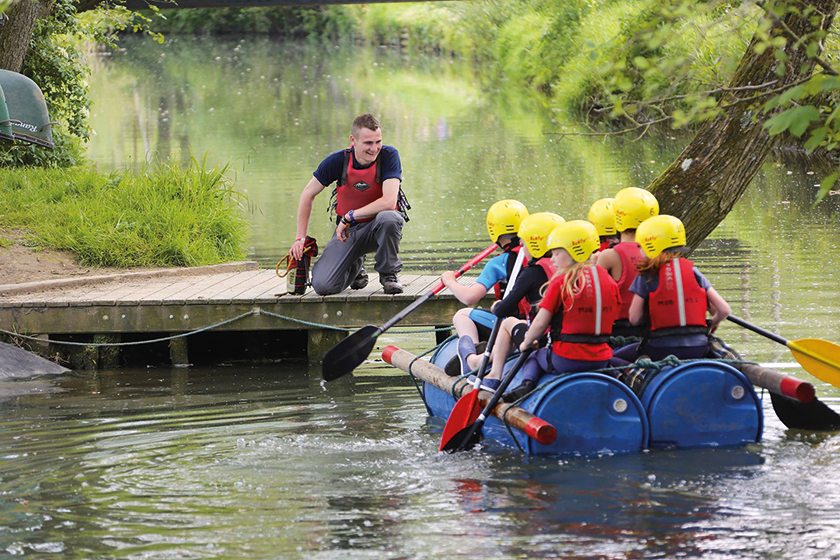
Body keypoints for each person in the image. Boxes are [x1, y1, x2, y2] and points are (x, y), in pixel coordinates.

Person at [483, 220, 621, 401]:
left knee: (534, 356)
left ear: (573, 253)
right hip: (601, 358)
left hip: (566, 359)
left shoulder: (561, 281)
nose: (553, 259)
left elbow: (540, 322)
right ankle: (622, 376)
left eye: (557, 253)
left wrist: (526, 343)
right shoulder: (607, 279)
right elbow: (614, 315)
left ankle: (527, 385)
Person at [290, 113, 406, 295]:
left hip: (379, 229)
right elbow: (307, 194)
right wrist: (300, 238)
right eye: (368, 143)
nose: (374, 148)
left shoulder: (389, 156)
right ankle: (354, 266)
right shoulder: (337, 161)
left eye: (378, 142)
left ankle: (389, 275)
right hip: (347, 233)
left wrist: (350, 216)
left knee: (389, 217)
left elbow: (389, 202)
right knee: (323, 286)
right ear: (353, 140)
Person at [443, 210, 564, 377]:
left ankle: (474, 355)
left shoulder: (501, 262)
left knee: (461, 315)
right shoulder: (567, 265)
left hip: (517, 326)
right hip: (550, 331)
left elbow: (469, 298)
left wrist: (450, 281)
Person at [614, 215, 731, 361]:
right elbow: (724, 310)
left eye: (640, 246)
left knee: (614, 359)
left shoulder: (647, 276)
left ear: (651, 246)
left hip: (659, 349)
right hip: (698, 347)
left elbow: (634, 318)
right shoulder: (693, 272)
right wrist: (713, 323)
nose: (640, 251)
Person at [595, 187, 658, 335]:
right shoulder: (658, 254)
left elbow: (594, 295)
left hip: (618, 330)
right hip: (650, 330)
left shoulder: (608, 256)